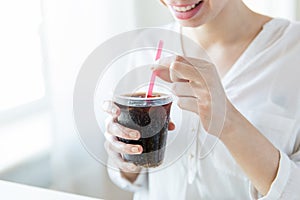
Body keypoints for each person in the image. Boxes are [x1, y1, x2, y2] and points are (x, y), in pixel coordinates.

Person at [102, 0, 300, 199]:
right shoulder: (148, 45)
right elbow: (136, 178)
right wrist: (124, 151)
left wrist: (229, 122)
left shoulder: (293, 51)